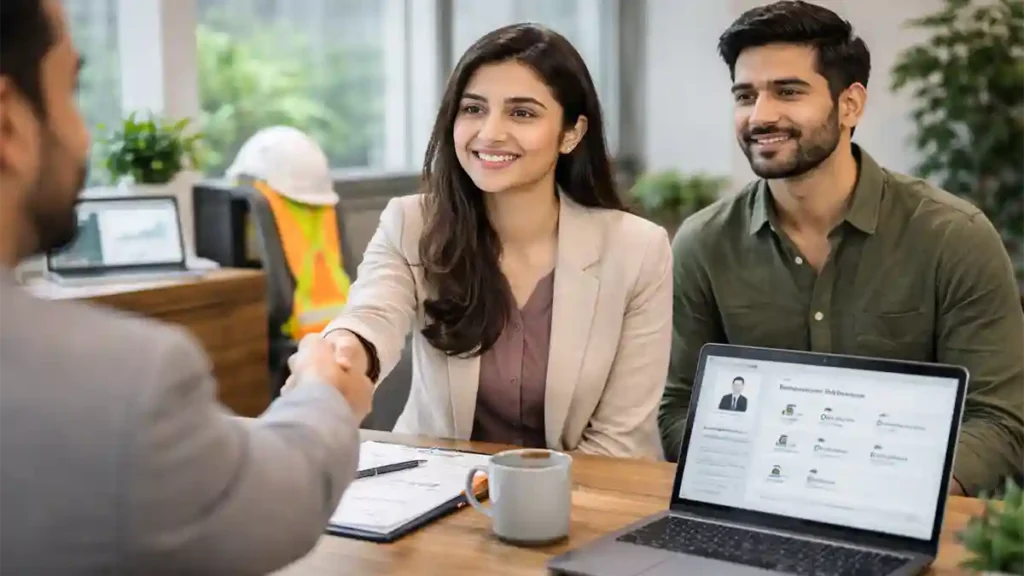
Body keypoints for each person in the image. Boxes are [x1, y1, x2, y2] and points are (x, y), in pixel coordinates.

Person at [0, 2, 372, 573]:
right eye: (71, 93)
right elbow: (276, 502)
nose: (82, 134)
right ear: (8, 127)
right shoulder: (128, 381)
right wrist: (324, 393)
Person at [659, 0, 1024, 496]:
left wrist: (876, 497)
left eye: (788, 91)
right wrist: (772, 483)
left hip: (909, 511)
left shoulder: (954, 237)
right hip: (758, 504)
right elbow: (679, 408)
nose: (760, 116)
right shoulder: (704, 243)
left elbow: (997, 423)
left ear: (850, 104)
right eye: (745, 96)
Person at [323, 23, 672, 459]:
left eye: (522, 113)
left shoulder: (638, 250)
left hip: (584, 489)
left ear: (571, 133)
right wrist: (343, 354)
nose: (489, 132)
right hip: (435, 484)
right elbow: (372, 316)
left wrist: (516, 492)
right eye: (473, 108)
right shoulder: (411, 223)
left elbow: (621, 440)